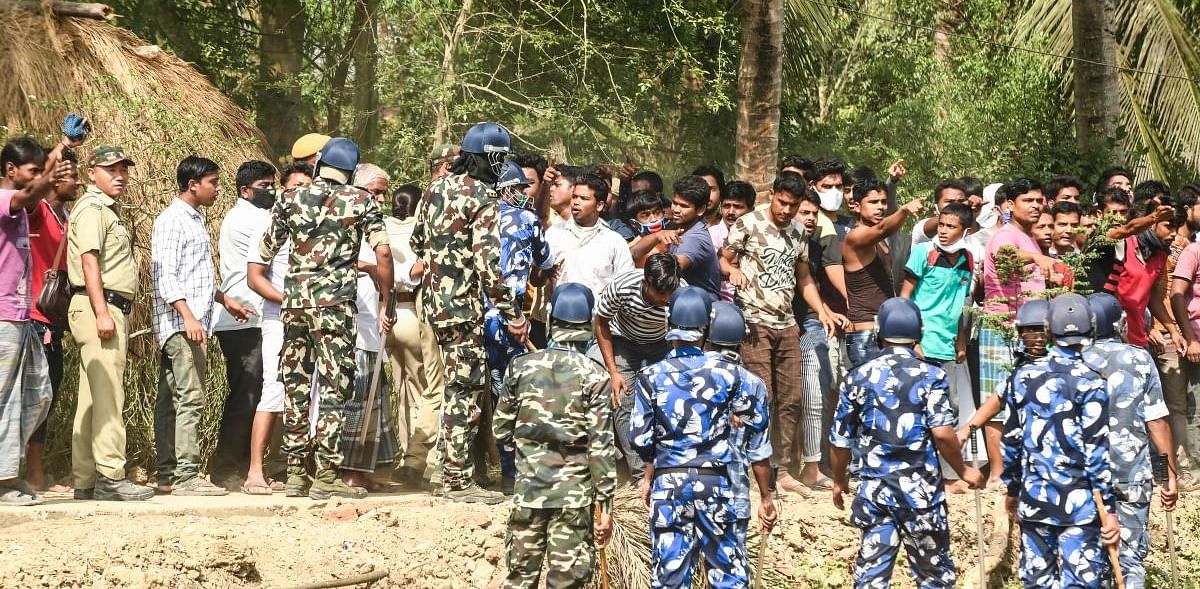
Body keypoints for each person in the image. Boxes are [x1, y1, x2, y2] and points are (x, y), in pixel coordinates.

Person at [259, 137, 393, 500]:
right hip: (335, 308)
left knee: (297, 385)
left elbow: (263, 254)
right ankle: (328, 474)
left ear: (319, 166)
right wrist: (387, 298)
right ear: (350, 171)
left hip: (295, 306)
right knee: (335, 387)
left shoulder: (288, 199)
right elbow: (382, 251)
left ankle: (296, 474)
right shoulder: (361, 200)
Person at [830, 297, 982, 588]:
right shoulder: (932, 376)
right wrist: (962, 471)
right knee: (934, 578)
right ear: (918, 335)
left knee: (871, 579)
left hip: (876, 496)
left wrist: (839, 481)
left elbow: (840, 440)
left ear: (878, 334)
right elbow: (942, 433)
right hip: (921, 499)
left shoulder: (858, 377)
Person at [410, 122, 526, 504]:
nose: (500, 166)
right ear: (486, 160)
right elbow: (489, 265)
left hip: (433, 305)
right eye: (498, 159)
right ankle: (456, 480)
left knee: (452, 388)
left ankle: (446, 471)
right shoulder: (483, 198)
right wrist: (513, 312)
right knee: (465, 392)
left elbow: (416, 243)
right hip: (462, 308)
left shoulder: (432, 190)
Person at [630, 286, 773, 589]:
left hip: (668, 485)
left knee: (670, 578)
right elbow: (757, 424)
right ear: (706, 328)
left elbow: (640, 441)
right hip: (716, 483)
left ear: (669, 324)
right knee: (727, 574)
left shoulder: (650, 377)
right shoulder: (731, 374)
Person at [722, 172, 844, 496]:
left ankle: (784, 468)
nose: (786, 210)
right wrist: (732, 270)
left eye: (793, 205)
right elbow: (722, 259)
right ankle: (758, 471)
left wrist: (821, 309)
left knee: (791, 398)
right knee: (763, 395)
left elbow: (804, 278)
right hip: (754, 320)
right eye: (782, 202)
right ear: (773, 194)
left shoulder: (798, 233)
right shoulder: (748, 223)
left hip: (787, 321)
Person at [493, 283, 616, 588]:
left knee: (520, 580)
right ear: (588, 325)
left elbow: (500, 430)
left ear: (551, 321)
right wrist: (607, 507)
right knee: (566, 583)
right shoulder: (596, 376)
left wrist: (531, 446)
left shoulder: (519, 368)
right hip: (573, 499)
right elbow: (601, 446)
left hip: (528, 491)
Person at [1002, 293, 1119, 589]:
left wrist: (1013, 488)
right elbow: (1097, 454)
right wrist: (1108, 509)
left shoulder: (1023, 377)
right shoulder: (1092, 381)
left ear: (1049, 329)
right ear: (1090, 328)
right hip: (1080, 507)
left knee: (1038, 582)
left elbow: (1011, 441)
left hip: (1035, 500)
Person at [151, 156, 248, 496]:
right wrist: (188, 317)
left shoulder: (194, 220)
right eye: (213, 183)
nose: (218, 189)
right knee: (190, 396)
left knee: (172, 397)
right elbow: (166, 276)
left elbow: (194, 276)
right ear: (193, 185)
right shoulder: (173, 221)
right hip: (181, 324)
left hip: (188, 320)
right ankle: (186, 476)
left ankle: (167, 472)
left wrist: (224, 300)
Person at [67, 146, 154, 501]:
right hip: (97, 307)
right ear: (91, 173)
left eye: (124, 169)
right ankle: (110, 476)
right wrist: (103, 312)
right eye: (110, 169)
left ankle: (85, 479)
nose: (120, 175)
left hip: (96, 306)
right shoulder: (92, 209)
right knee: (109, 396)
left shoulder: (104, 210)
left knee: (91, 398)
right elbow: (90, 262)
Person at [1084, 292, 1179, 587]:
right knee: (1130, 559)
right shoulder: (1139, 359)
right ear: (1120, 324)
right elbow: (1157, 423)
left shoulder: (1072, 359)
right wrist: (1168, 477)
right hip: (1131, 475)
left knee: (1089, 559)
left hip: (1086, 478)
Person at [0, 136, 70, 506]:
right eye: (32, 171)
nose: (38, 178)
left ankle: (9, 472)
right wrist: (54, 166)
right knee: (5, 401)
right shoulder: (5, 200)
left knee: (38, 392)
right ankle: (5, 480)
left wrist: (61, 145)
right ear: (10, 170)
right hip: (3, 318)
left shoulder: (22, 206)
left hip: (21, 316)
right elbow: (30, 196)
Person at [242, 161, 312, 494]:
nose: (301, 193)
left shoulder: (318, 227)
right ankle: (255, 470)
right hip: (279, 320)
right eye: (294, 187)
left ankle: (299, 469)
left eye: (306, 186)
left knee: (311, 394)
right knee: (273, 391)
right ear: (283, 191)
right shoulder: (270, 228)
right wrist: (289, 301)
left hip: (315, 321)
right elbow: (254, 277)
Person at [978, 178, 1053, 485]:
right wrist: (1038, 258)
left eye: (1039, 200)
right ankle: (997, 472)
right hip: (1003, 327)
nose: (1036, 205)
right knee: (996, 401)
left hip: (1027, 329)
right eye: (1028, 200)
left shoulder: (1027, 236)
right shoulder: (1006, 235)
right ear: (1009, 205)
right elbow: (1005, 257)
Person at [484, 161, 552, 493]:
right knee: (512, 396)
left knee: (474, 397)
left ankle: (469, 468)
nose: (526, 194)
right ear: (509, 190)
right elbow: (547, 260)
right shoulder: (526, 219)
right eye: (521, 188)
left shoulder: (479, 216)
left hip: (475, 318)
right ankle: (512, 473)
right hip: (511, 320)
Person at [209, 159, 276, 489]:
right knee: (247, 394)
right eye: (264, 187)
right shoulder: (248, 218)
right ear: (245, 190)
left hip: (251, 317)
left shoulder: (252, 214)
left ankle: (241, 464)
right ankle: (226, 468)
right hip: (244, 317)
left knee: (253, 392)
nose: (271, 192)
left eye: (272, 185)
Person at [589, 253, 681, 484]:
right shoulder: (621, 287)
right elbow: (601, 323)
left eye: (669, 295)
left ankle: (669, 468)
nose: (665, 300)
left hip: (662, 344)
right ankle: (640, 476)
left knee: (670, 402)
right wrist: (614, 372)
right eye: (660, 296)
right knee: (622, 400)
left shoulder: (680, 294)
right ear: (645, 283)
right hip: (624, 342)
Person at [24, 143, 81, 494]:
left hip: (52, 321)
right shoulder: (35, 210)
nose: (77, 182)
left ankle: (35, 474)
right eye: (70, 176)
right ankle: (29, 476)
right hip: (31, 317)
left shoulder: (70, 217)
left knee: (46, 397)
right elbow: (28, 190)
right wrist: (62, 146)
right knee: (33, 397)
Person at [383, 184, 445, 490]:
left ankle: (402, 454)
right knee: (426, 391)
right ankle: (421, 459)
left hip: (385, 315)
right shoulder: (423, 232)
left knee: (400, 388)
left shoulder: (380, 227)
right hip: (412, 312)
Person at [705, 301, 775, 557]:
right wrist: (766, 498)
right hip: (733, 496)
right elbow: (759, 452)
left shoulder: (685, 374)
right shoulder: (753, 384)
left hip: (686, 493)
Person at [841, 179, 925, 366]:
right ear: (855, 206)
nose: (880, 207)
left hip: (884, 333)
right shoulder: (855, 237)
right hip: (865, 335)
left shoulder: (880, 240)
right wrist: (904, 210)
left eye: (883, 202)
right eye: (873, 202)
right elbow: (882, 228)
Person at [1099, 199, 1182, 349]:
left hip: (1137, 339)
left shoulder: (1161, 256)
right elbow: (1123, 231)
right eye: (1168, 226)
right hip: (1111, 338)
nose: (1174, 234)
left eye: (1176, 227)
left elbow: (1154, 298)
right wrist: (1153, 216)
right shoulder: (1122, 244)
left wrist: (1173, 332)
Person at [544, 171, 634, 301]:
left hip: (598, 318)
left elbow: (626, 284)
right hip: (559, 317)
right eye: (574, 197)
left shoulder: (614, 242)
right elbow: (536, 281)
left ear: (599, 205)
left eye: (584, 198)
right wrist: (544, 271)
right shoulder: (554, 234)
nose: (576, 202)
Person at [1169, 234, 1200, 491]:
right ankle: (1192, 469)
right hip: (1197, 340)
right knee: (1193, 406)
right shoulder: (1193, 251)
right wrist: (1190, 338)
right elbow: (1176, 294)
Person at [708, 180, 754, 302]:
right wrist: (732, 270)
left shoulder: (760, 238)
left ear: (751, 210)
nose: (731, 212)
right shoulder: (710, 235)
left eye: (738, 207)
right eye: (726, 206)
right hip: (718, 302)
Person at [909, 178, 968, 247]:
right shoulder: (923, 228)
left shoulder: (973, 228)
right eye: (949, 201)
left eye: (961, 201)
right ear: (936, 206)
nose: (956, 205)